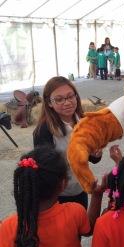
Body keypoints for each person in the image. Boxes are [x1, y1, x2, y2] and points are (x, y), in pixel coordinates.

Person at [33, 76, 102, 209]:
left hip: (80, 187)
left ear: (76, 97)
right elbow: (44, 168)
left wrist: (96, 154)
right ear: (49, 103)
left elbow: (92, 158)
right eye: (59, 99)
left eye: (70, 96)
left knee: (81, 223)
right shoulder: (44, 130)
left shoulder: (84, 121)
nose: (67, 102)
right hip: (57, 194)